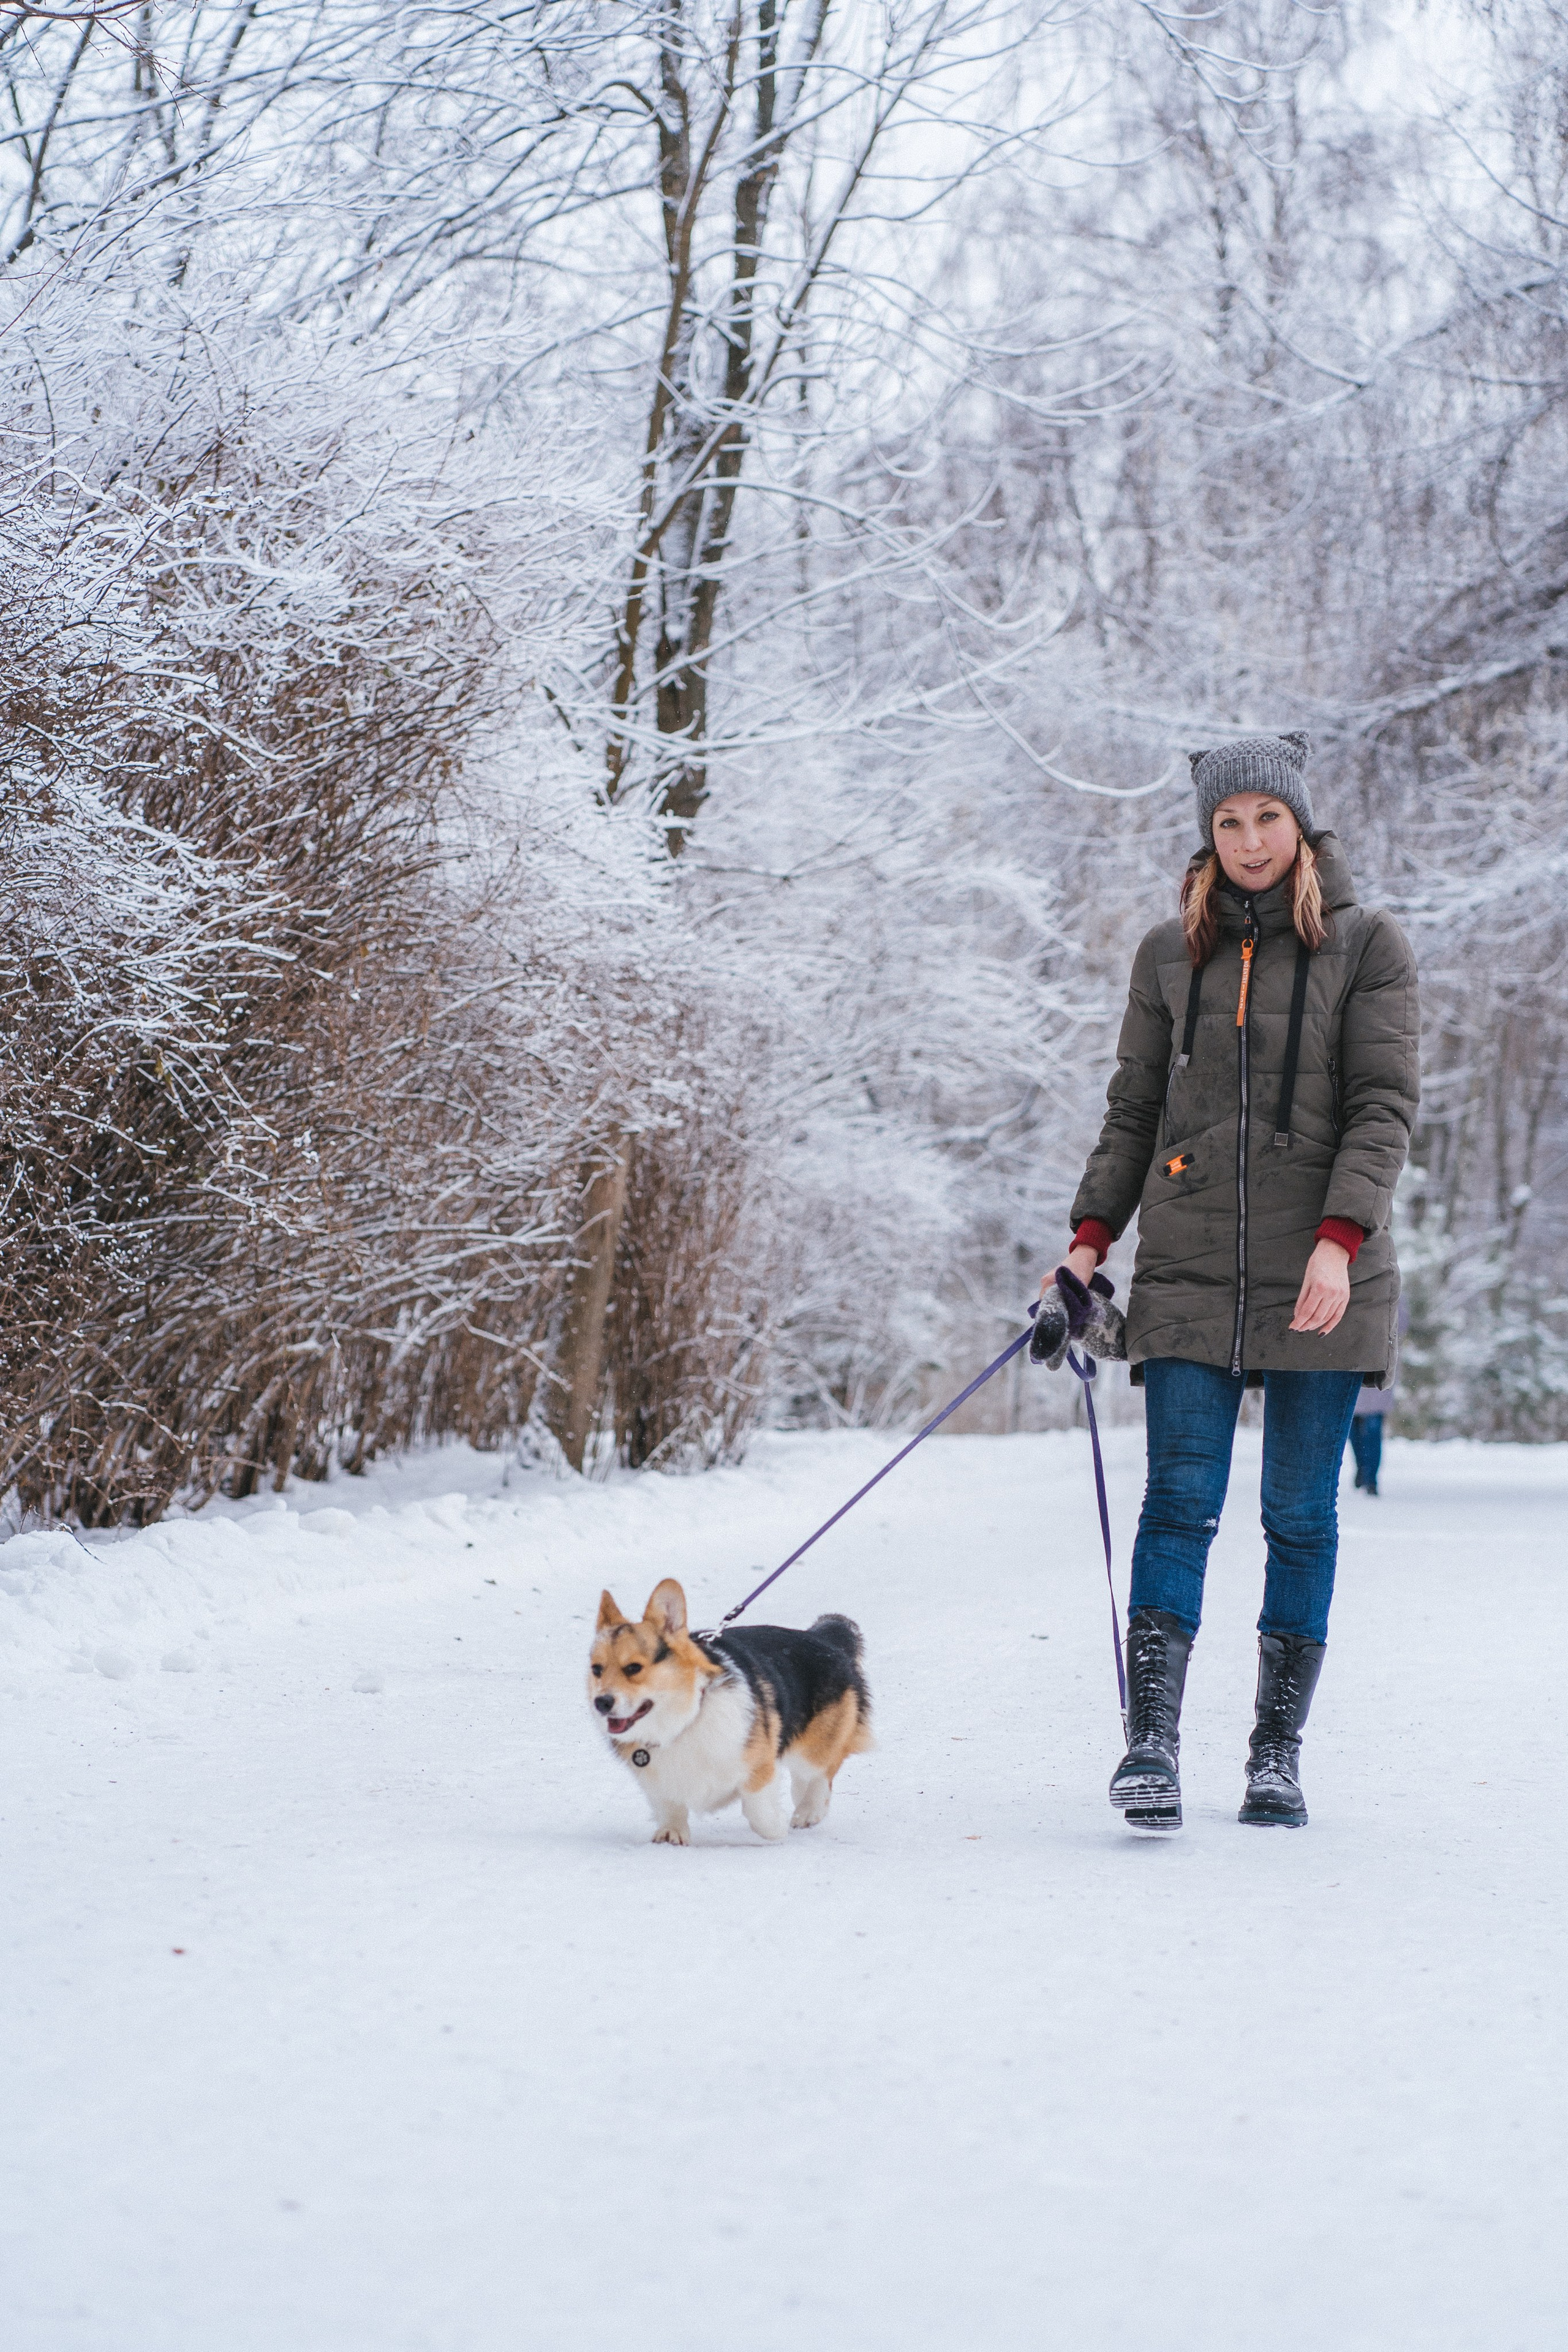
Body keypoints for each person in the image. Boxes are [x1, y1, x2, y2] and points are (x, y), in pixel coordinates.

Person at [1046, 733, 1419, 1832]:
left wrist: (1339, 1240)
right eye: (1228, 823)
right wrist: (1087, 1244)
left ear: (1299, 824)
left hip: (1325, 1274)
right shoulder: (1172, 953)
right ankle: (1152, 1747)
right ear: (1207, 836)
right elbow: (1130, 1110)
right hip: (1193, 1266)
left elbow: (1383, 1106)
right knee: (1179, 1503)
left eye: (1267, 819)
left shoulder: (1368, 945)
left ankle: (1274, 1755)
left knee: (1300, 1515)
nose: (1250, 841)